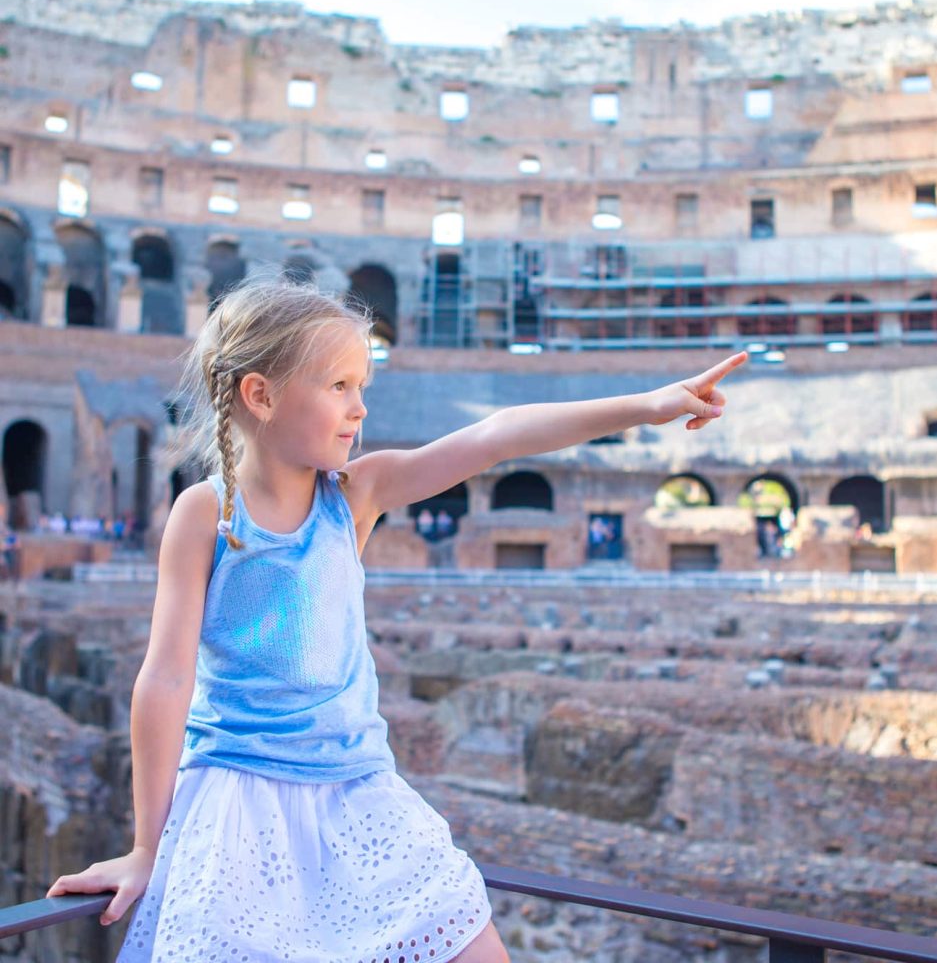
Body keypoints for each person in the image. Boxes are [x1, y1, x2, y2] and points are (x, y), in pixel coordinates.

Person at [45, 279, 746, 962]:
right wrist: (146, 846)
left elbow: (496, 437)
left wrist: (647, 405)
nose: (359, 410)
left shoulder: (357, 493)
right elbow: (164, 678)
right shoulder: (205, 513)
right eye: (339, 387)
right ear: (260, 395)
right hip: (239, 794)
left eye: (363, 388)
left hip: (359, 789)